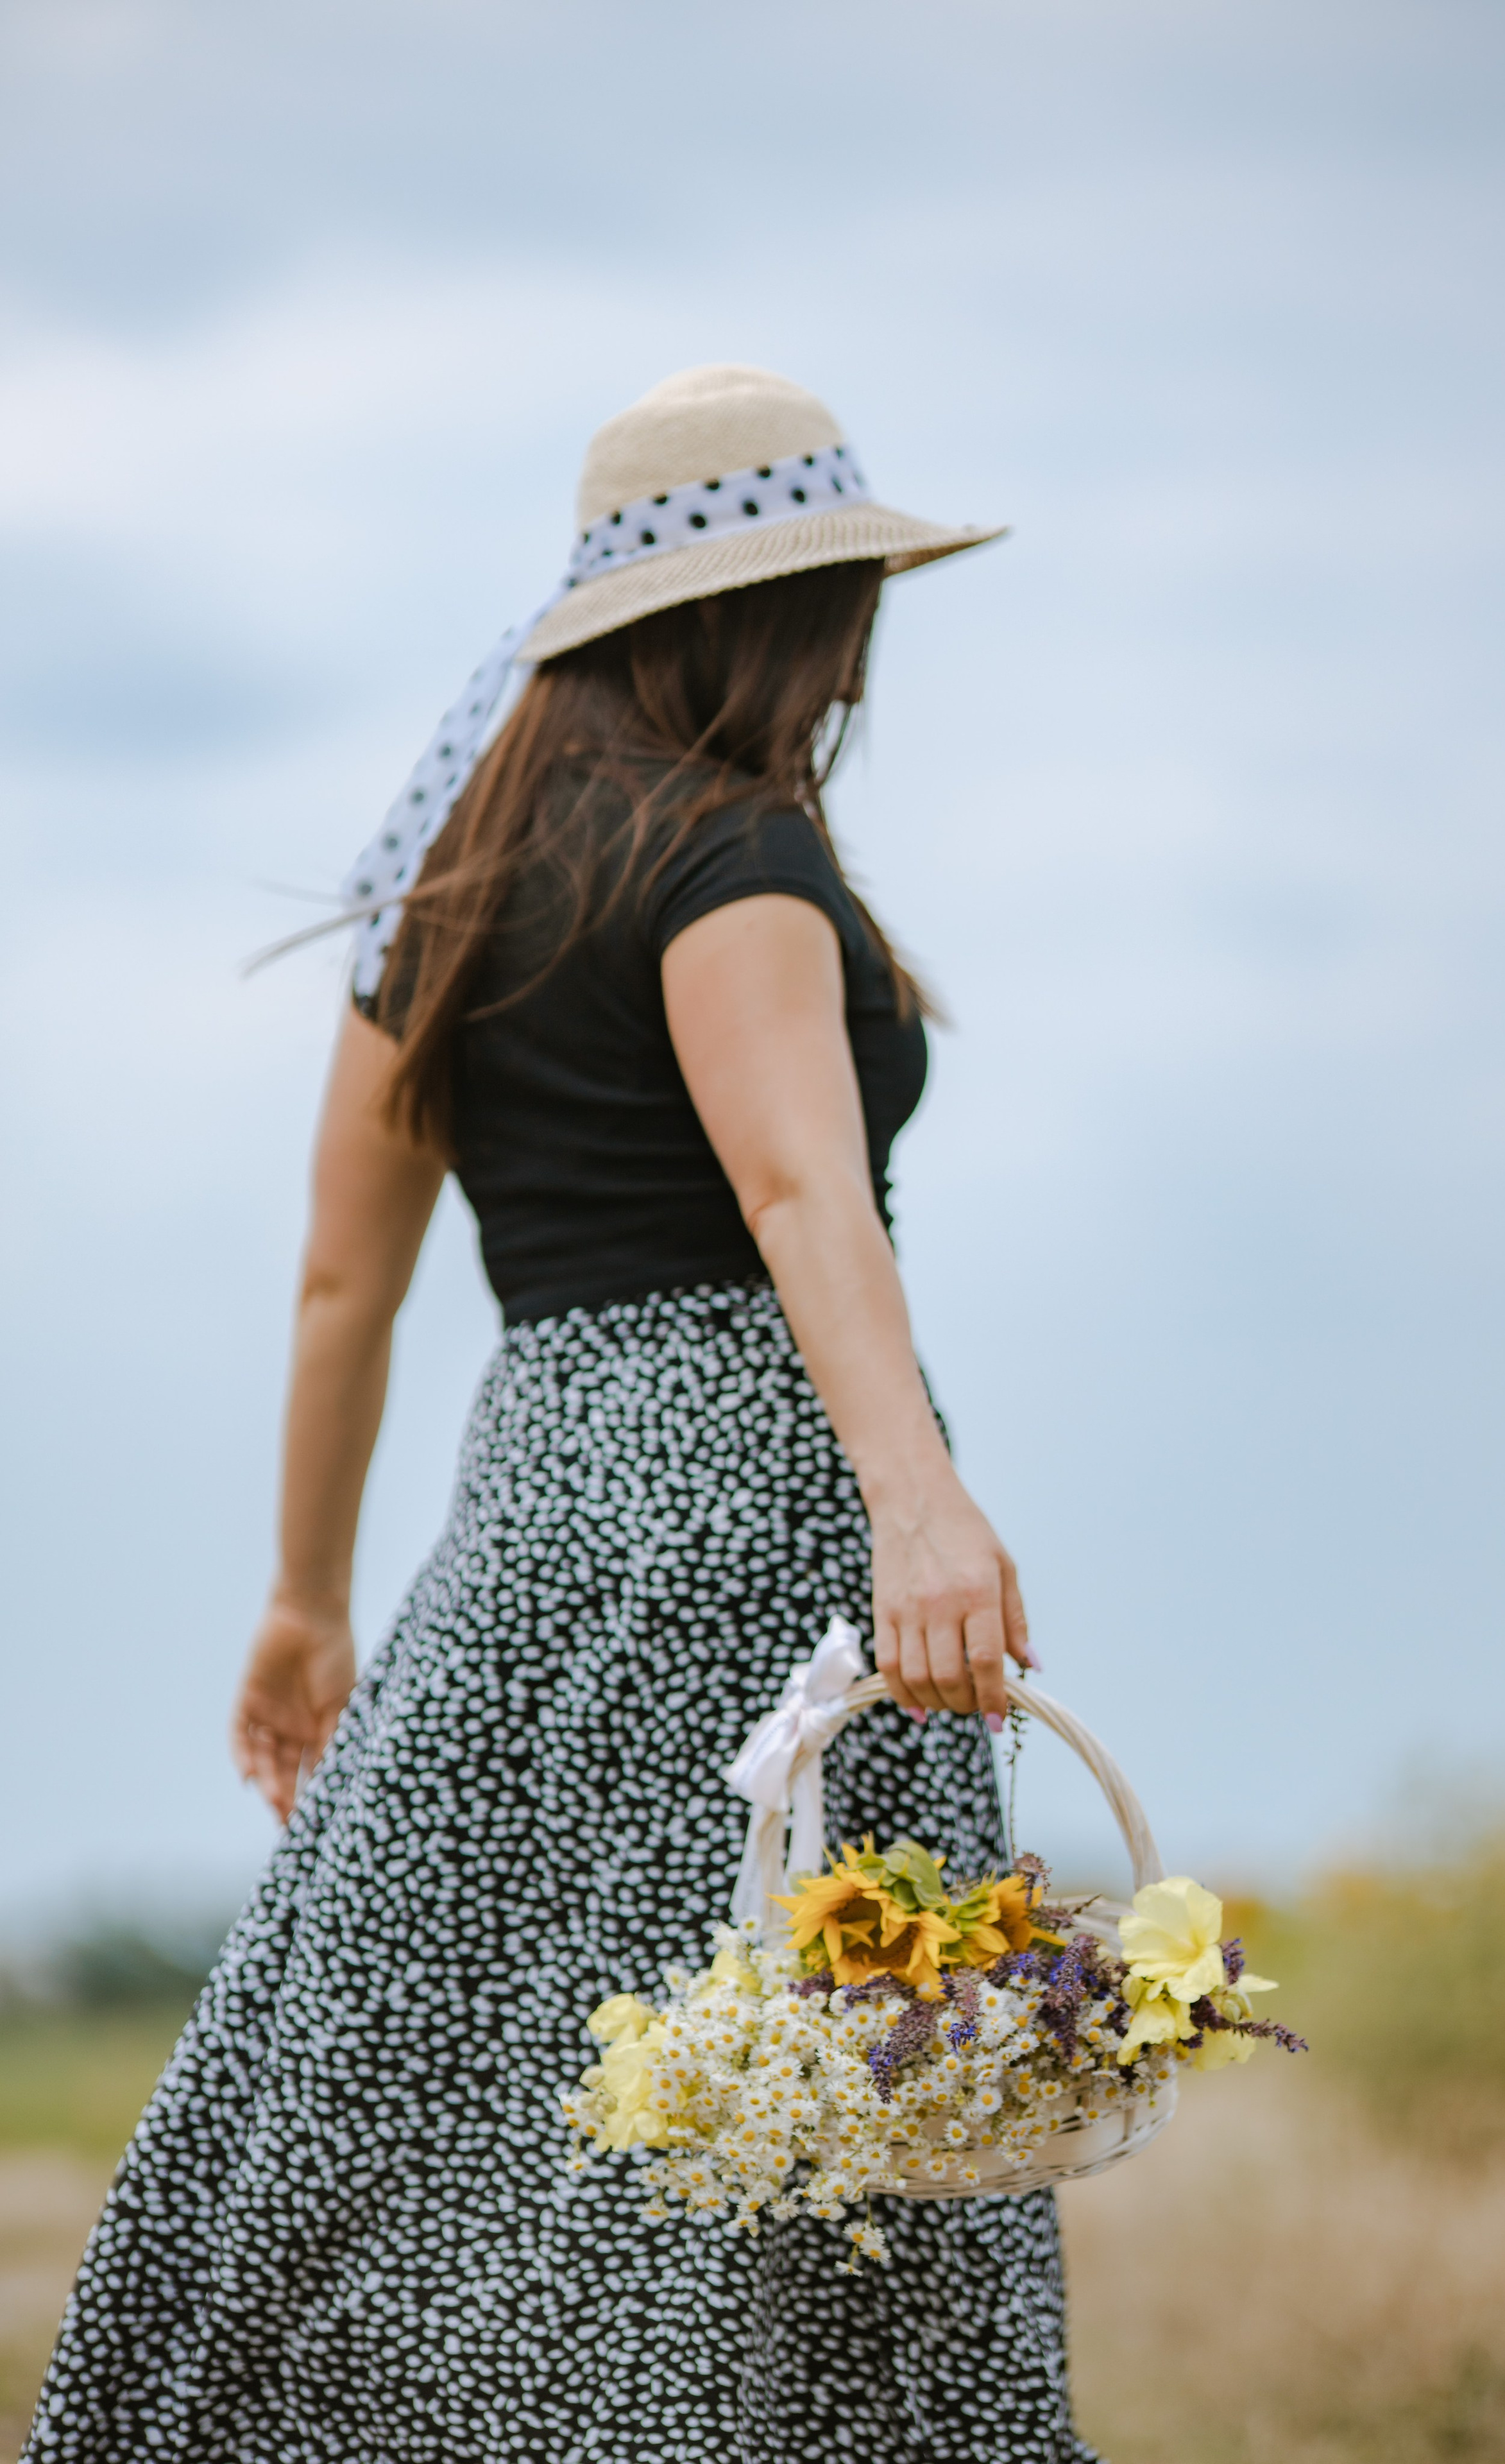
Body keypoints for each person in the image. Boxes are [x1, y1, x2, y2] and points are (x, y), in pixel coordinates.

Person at [25, 364, 1095, 2464]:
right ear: (772, 615)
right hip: (758, 1517)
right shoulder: (741, 853)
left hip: (528, 1518)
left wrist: (305, 1603)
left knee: (474, 2081)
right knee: (806, 2098)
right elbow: (797, 1192)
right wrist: (920, 1502)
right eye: (842, 599)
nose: (858, 646)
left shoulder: (442, 890)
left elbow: (348, 1279)